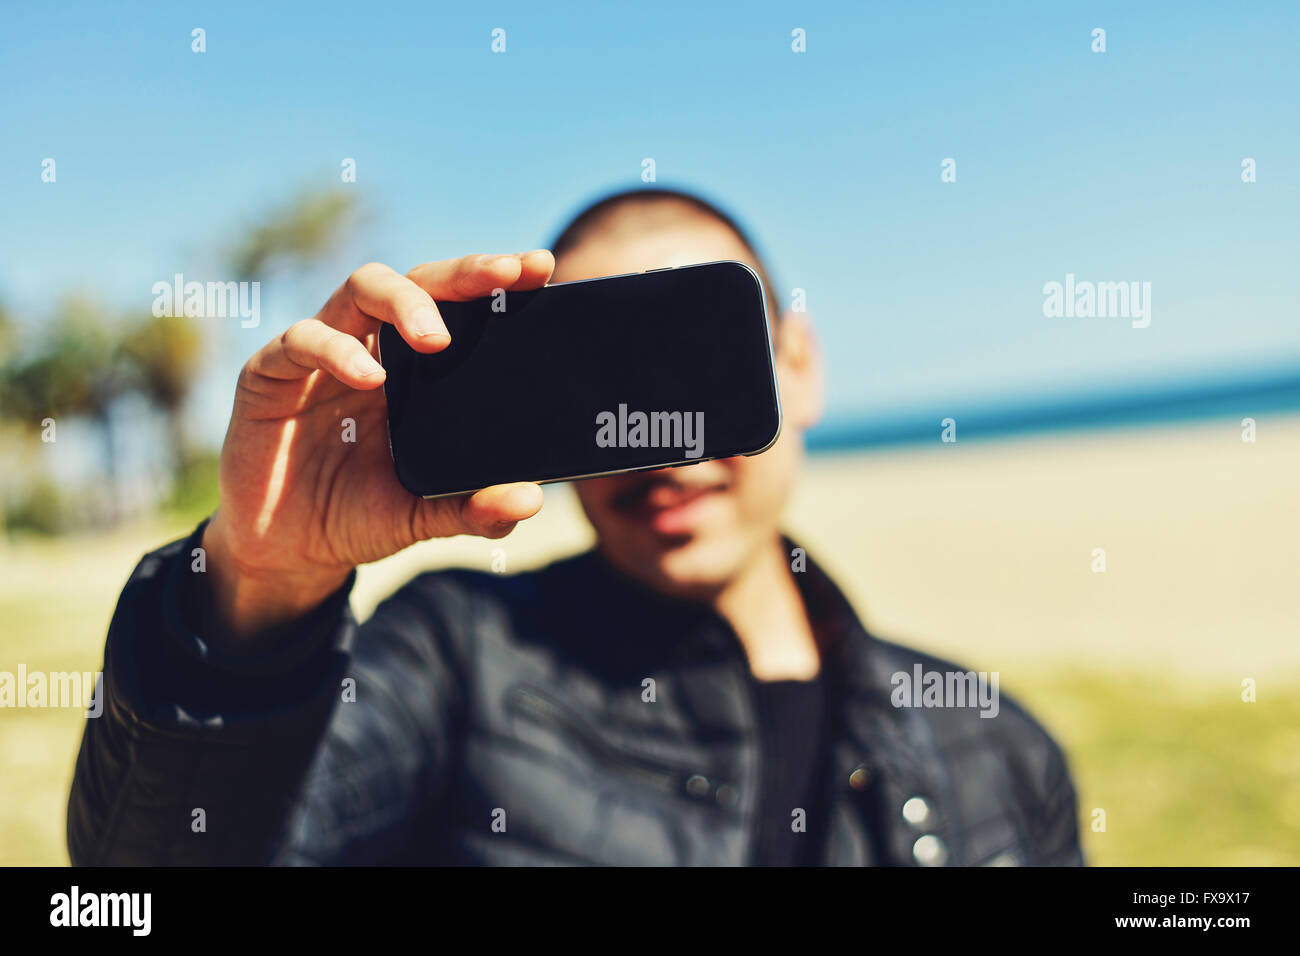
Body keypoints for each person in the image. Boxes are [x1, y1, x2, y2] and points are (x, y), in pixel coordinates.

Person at [68, 188, 1083, 866]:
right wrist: (258, 587)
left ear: (800, 364)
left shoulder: (993, 744)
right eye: (611, 388)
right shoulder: (456, 657)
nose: (664, 445)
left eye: (699, 365)